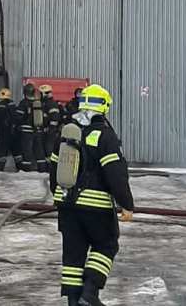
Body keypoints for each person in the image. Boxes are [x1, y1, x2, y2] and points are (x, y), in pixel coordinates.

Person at [49, 84, 134, 306]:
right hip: (96, 207)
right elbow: (115, 174)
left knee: (73, 256)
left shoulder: (67, 133)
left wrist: (59, 196)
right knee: (106, 245)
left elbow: (54, 169)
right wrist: (127, 204)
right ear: (104, 107)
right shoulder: (105, 136)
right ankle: (90, 293)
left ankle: (74, 301)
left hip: (66, 205)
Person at [15, 83, 47, 172]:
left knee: (27, 151)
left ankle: (26, 170)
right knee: (39, 151)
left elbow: (18, 117)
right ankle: (42, 169)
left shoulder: (23, 103)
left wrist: (17, 125)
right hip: (38, 131)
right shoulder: (38, 103)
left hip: (26, 132)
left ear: (25, 92)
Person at [0, 88, 17, 172]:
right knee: (17, 152)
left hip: (3, 133)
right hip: (14, 133)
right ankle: (23, 169)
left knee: (1, 152)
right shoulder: (13, 104)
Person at [39, 84, 61, 165]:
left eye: (41, 93)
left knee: (49, 149)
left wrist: (51, 129)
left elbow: (55, 118)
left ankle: (50, 167)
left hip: (51, 132)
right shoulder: (45, 103)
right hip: (47, 131)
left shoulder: (51, 103)